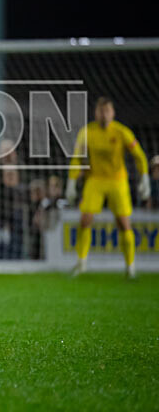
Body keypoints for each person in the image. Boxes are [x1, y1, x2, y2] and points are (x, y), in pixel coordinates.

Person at [65, 97, 150, 278]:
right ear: (95, 113)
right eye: (100, 111)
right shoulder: (87, 132)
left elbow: (139, 155)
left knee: (123, 223)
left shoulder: (121, 132)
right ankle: (81, 263)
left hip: (117, 180)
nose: (103, 115)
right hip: (95, 180)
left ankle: (130, 266)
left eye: (107, 111)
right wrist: (71, 181)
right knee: (85, 219)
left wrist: (144, 177)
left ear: (113, 113)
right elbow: (77, 157)